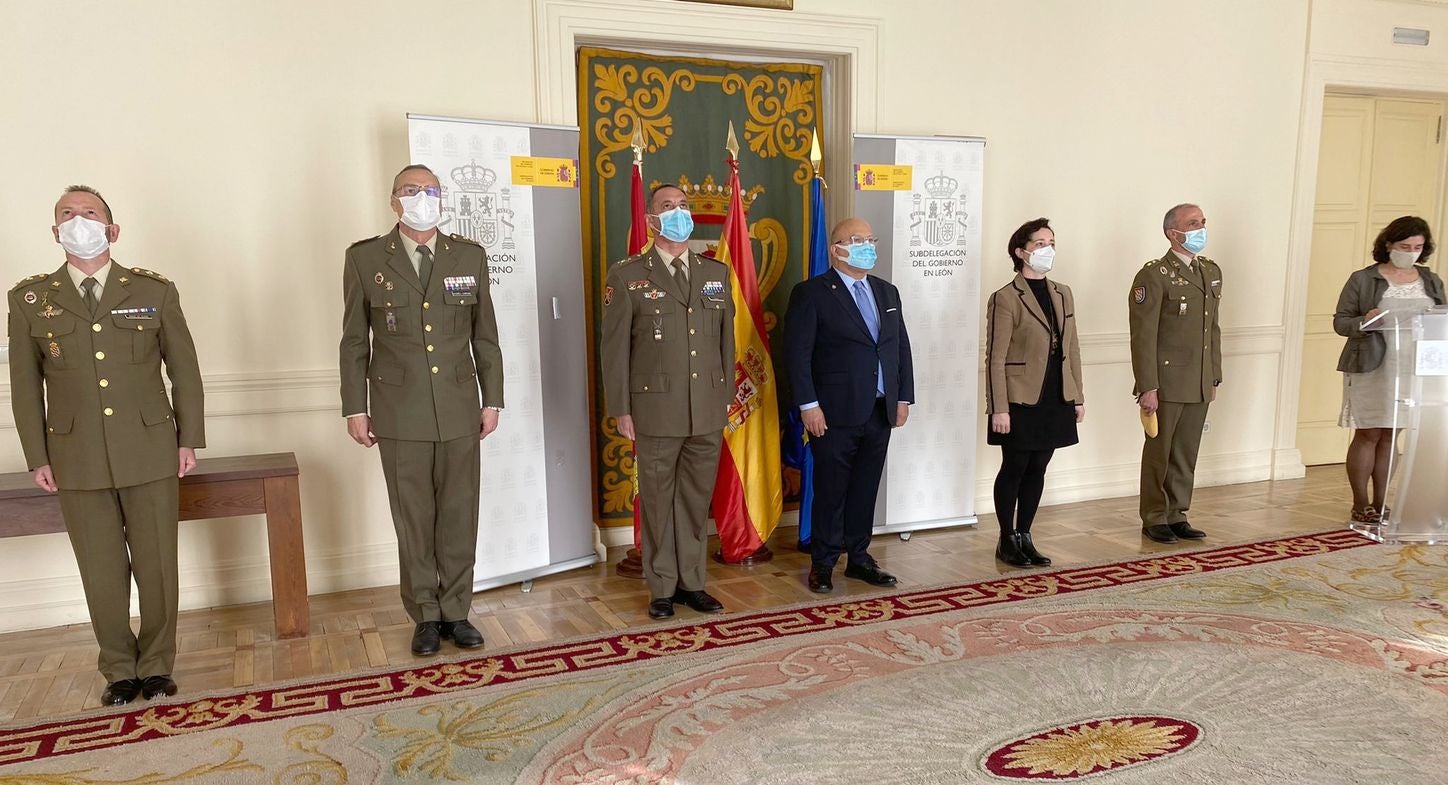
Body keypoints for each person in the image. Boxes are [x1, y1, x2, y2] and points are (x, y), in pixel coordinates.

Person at [7, 186, 205, 706]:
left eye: (89, 213)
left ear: (112, 230)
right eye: (67, 215)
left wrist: (189, 439)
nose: (79, 221)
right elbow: (25, 385)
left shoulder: (153, 291)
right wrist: (37, 455)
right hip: (76, 456)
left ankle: (157, 665)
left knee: (157, 562)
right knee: (100, 566)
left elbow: (184, 370)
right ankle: (119, 669)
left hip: (150, 447)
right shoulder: (30, 300)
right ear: (55, 233)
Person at [340, 164, 503, 656]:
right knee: (413, 517)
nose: (420, 198)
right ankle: (425, 616)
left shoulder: (468, 257)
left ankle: (457, 611)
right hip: (398, 408)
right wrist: (355, 407)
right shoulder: (366, 258)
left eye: (429, 190)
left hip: (458, 405)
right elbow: (353, 341)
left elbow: (485, 336)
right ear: (394, 201)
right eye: (410, 191)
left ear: (442, 199)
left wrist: (491, 397)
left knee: (458, 512)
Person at [600, 184, 734, 619]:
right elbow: (614, 348)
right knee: (658, 500)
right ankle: (662, 587)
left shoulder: (715, 273)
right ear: (651, 219)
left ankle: (692, 584)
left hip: (706, 407)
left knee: (696, 501)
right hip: (654, 408)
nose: (678, 213)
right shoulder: (626, 275)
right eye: (667, 207)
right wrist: (621, 408)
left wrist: (725, 396)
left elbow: (725, 342)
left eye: (683, 206)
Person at [784, 217, 914, 593]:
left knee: (865, 487)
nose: (867, 245)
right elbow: (797, 355)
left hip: (879, 409)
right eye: (857, 239)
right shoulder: (811, 293)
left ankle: (859, 557)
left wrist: (903, 396)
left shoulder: (887, 292)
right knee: (831, 489)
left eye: (870, 239)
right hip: (832, 412)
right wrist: (809, 405)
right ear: (837, 248)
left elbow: (899, 348)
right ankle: (823, 562)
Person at [1332, 216, 1446, 523]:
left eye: (1418, 247)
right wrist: (1365, 321)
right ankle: (1360, 503)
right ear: (1388, 245)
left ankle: (1382, 503)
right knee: (1369, 432)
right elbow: (1341, 322)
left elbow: (1440, 321)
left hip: (1413, 367)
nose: (1411, 252)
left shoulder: (1431, 280)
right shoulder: (1363, 279)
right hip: (1371, 365)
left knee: (1392, 433)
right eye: (1404, 246)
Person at [986, 218, 1084, 567]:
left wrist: (1077, 396)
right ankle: (1006, 538)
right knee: (1015, 465)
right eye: (1040, 243)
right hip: (1019, 398)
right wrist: (999, 408)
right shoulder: (1005, 298)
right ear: (1021, 251)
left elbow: (1071, 349)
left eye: (1051, 242)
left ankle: (1026, 534)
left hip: (1056, 395)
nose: (1048, 250)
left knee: (1039, 466)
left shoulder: (1062, 292)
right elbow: (995, 358)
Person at [1128, 203, 1222, 543]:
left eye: (1202, 221)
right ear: (1173, 232)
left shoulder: (1210, 271)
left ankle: (1177, 513)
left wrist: (1213, 376)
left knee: (1186, 451)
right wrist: (1147, 386)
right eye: (1193, 223)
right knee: (1160, 451)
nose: (1201, 228)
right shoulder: (1154, 275)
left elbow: (1212, 329)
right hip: (1166, 381)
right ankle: (1154, 515)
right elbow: (1143, 336)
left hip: (1197, 379)